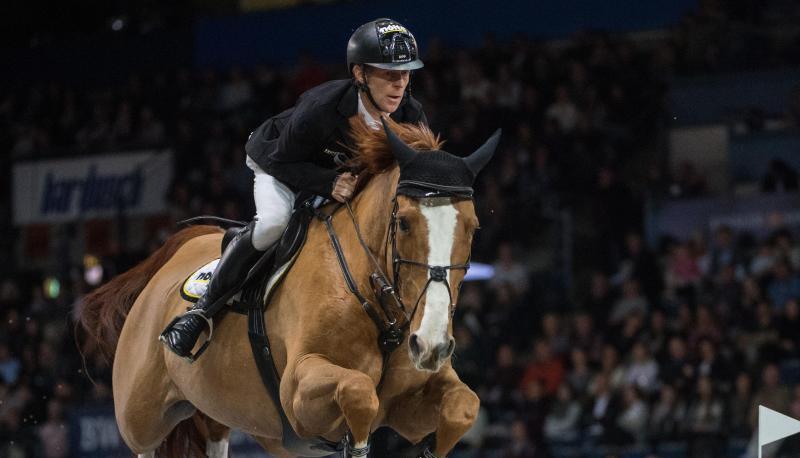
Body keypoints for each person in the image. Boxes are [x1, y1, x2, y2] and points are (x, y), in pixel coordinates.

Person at [161, 18, 427, 360]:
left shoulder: (410, 113)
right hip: (280, 163)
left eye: (405, 74)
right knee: (274, 223)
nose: (400, 84)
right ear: (360, 74)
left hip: (342, 177)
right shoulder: (321, 109)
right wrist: (328, 183)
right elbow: (281, 161)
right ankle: (199, 312)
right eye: (389, 74)